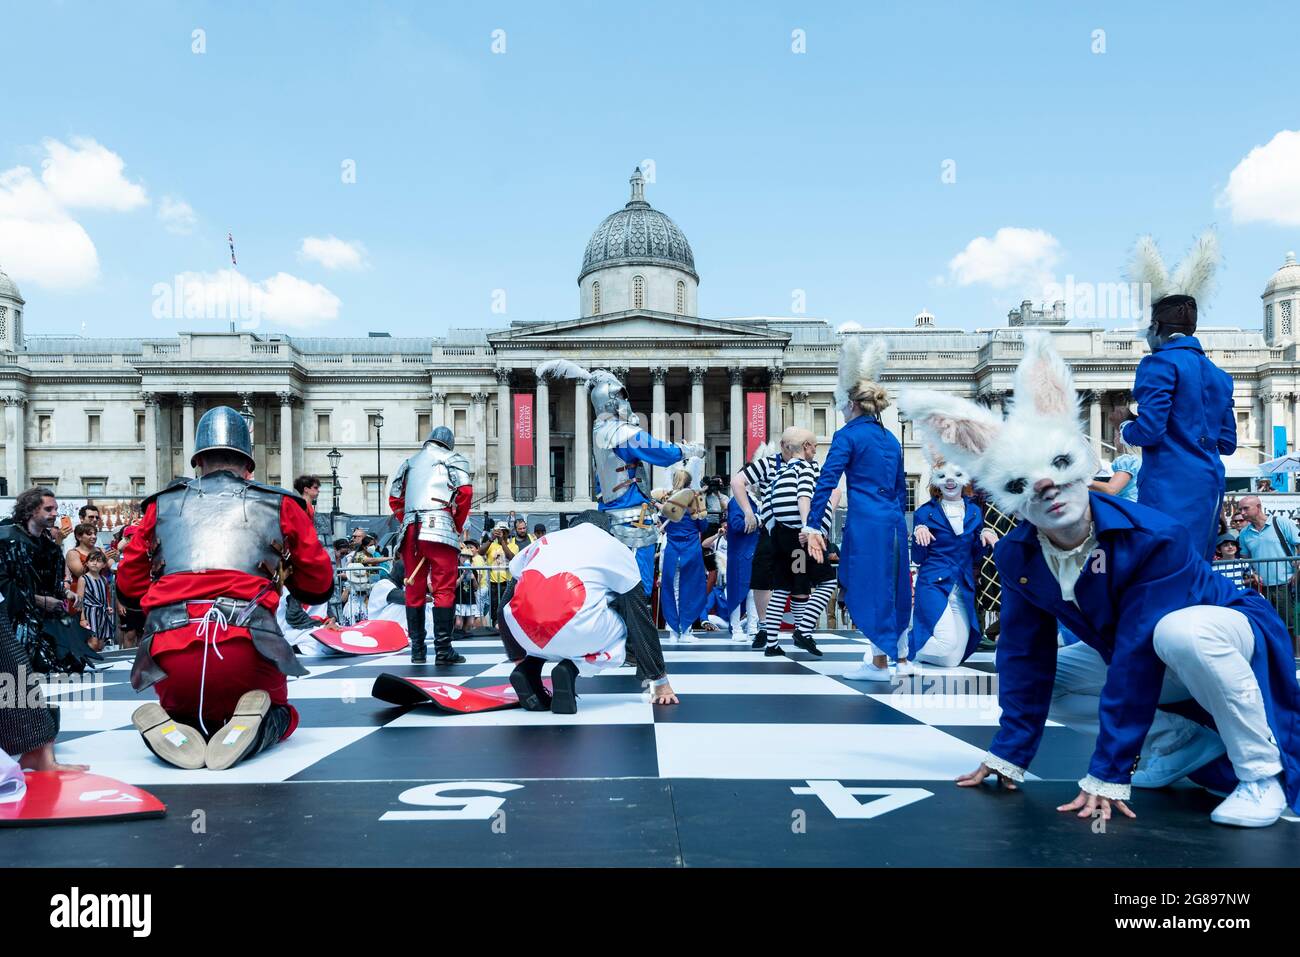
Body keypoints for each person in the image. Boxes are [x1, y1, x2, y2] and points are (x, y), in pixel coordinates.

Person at [901, 333, 1300, 828]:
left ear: (1080, 461)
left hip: (1224, 634)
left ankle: (1261, 774)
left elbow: (1139, 650)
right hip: (1132, 648)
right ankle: (1178, 742)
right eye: (1021, 482)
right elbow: (1025, 652)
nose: (1045, 486)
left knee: (1179, 633)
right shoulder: (1018, 552)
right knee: (1054, 678)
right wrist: (1009, 754)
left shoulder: (1154, 536)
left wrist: (1107, 775)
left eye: (1058, 465)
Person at [117, 406, 335, 771]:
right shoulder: (282, 503)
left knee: (184, 709)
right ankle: (252, 727)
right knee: (282, 712)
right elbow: (320, 585)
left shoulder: (160, 504)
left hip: (169, 651)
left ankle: (173, 724)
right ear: (249, 465)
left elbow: (128, 585)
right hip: (247, 647)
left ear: (198, 461)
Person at [537, 360, 705, 596]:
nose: (627, 403)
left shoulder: (600, 432)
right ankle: (634, 632)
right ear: (612, 402)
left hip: (610, 516)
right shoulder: (622, 432)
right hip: (632, 520)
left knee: (614, 586)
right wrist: (688, 450)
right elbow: (661, 452)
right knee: (637, 585)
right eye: (622, 397)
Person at [1118, 231, 1235, 558]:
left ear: (1156, 328)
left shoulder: (1158, 364)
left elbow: (1151, 430)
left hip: (1168, 485)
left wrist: (1127, 429)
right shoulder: (1221, 377)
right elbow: (1228, 444)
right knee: (1197, 567)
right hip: (1210, 485)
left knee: (1161, 568)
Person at [498, 510, 678, 713]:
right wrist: (659, 679)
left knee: (539, 615)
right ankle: (571, 668)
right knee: (622, 625)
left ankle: (527, 669)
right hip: (576, 630)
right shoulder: (615, 547)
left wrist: (517, 655)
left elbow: (505, 601)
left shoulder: (543, 541)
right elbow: (639, 615)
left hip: (523, 632)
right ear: (607, 530)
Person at [805, 338, 911, 681]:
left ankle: (880, 662)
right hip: (894, 522)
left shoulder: (847, 436)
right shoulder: (891, 439)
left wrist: (812, 525)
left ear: (851, 404)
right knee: (891, 587)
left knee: (865, 585)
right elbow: (898, 488)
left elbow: (826, 481)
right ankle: (892, 658)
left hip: (866, 523)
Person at [388, 425, 472, 664]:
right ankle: (443, 650)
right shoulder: (453, 458)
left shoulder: (409, 462)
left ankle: (417, 650)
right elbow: (465, 492)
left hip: (411, 530)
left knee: (413, 589)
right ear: (449, 443)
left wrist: (407, 520)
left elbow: (395, 498)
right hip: (440, 525)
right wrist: (456, 523)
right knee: (443, 589)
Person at [908, 456, 998, 668]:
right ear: (937, 481)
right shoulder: (924, 512)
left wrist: (984, 536)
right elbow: (918, 559)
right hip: (933, 584)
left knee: (951, 659)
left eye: (956, 475)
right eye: (944, 476)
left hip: (962, 587)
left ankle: (916, 653)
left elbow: (976, 555)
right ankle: (897, 646)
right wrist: (918, 533)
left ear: (964, 479)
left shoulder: (975, 512)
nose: (950, 481)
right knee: (947, 644)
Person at [760, 427, 839, 658]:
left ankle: (772, 643)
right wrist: (808, 527)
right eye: (814, 446)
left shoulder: (778, 474)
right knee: (827, 582)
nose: (815, 450)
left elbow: (766, 508)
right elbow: (804, 496)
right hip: (802, 537)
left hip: (782, 537)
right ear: (805, 447)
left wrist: (777, 533)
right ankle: (803, 631)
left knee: (782, 588)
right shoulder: (806, 468)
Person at [0, 487, 79, 674]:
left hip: (42, 622)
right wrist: (40, 600)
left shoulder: (49, 547)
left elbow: (46, 582)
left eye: (55, 509)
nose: (55, 514)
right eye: (48, 509)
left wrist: (65, 592)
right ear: (31, 510)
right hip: (12, 623)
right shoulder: (7, 539)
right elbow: (5, 585)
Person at [727, 442, 778, 647]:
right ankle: (737, 628)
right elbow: (738, 524)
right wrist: (758, 520)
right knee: (737, 591)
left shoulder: (754, 500)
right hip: (741, 552)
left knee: (752, 591)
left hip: (752, 551)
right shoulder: (737, 501)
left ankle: (753, 628)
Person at [655, 471, 710, 643]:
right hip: (691, 549)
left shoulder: (666, 499)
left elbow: (663, 526)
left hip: (672, 549)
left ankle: (673, 631)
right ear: (689, 482)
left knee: (672, 589)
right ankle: (686, 631)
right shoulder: (695, 499)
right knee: (690, 589)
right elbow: (703, 525)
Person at [1235, 494, 1299, 632]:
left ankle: (1294, 654)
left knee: (1289, 626)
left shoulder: (1281, 522)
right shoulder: (1244, 533)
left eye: (1245, 508)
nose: (1242, 513)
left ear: (1258, 507)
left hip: (1285, 584)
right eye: (1240, 510)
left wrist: (1297, 571)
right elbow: (1245, 559)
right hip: (1261, 587)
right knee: (1267, 627)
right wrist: (1252, 574)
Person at [76, 549, 116, 652]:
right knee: (92, 643)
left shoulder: (103, 579)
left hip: (102, 614)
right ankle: (88, 663)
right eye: (92, 560)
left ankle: (98, 665)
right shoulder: (83, 579)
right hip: (90, 614)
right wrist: (82, 619)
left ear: (103, 565)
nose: (95, 563)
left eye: (98, 561)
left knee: (100, 644)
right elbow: (80, 600)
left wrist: (108, 607)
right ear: (87, 563)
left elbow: (104, 596)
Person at [1090, 425, 1141, 502]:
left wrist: (1084, 481)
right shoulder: (1140, 459)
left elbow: (1111, 489)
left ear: (1122, 438)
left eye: (1116, 436)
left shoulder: (1128, 460)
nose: (1114, 440)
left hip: (1125, 507)